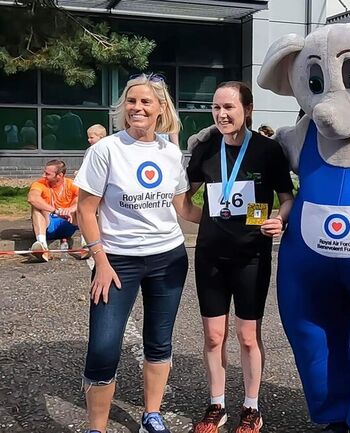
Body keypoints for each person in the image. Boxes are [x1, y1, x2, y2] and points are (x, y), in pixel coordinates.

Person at [74, 73, 202, 433]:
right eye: (131, 101)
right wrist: (100, 261)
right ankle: (95, 428)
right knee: (102, 348)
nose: (137, 108)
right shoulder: (106, 150)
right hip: (117, 262)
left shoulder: (170, 152)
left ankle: (152, 414)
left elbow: (185, 209)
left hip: (168, 259)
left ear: (161, 108)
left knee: (159, 341)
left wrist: (232, 221)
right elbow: (86, 210)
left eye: (146, 101)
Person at [186, 81, 294, 433]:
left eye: (228, 107)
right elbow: (183, 196)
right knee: (214, 336)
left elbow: (286, 197)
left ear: (247, 109)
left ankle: (252, 407)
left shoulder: (267, 150)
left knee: (248, 336)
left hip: (251, 255)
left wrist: (279, 219)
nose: (221, 114)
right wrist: (204, 219)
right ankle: (216, 405)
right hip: (210, 256)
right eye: (216, 108)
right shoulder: (205, 149)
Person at [27, 159, 79, 261]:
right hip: (47, 224)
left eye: (47, 174)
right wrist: (55, 211)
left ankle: (86, 245)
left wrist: (69, 209)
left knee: (80, 208)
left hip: (68, 223)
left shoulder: (71, 184)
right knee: (37, 208)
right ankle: (42, 246)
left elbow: (83, 200)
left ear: (59, 175)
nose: (43, 176)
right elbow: (32, 198)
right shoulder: (39, 183)